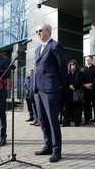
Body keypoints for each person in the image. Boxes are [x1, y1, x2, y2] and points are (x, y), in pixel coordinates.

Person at [33, 23, 67, 162]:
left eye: (40, 30)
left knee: (53, 120)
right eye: (36, 31)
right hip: (38, 89)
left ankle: (56, 150)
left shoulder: (55, 45)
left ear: (48, 32)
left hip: (51, 89)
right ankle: (48, 145)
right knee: (42, 119)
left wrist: (58, 86)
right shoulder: (37, 49)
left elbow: (63, 68)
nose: (38, 33)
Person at [81, 55, 95, 126]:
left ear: (92, 60)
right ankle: (86, 119)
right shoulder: (82, 69)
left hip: (94, 90)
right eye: (86, 59)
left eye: (89, 59)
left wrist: (90, 84)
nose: (87, 60)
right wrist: (84, 85)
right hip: (85, 91)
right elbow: (81, 79)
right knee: (86, 106)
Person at [63, 60, 83, 127]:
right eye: (71, 65)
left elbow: (81, 82)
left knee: (78, 108)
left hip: (76, 92)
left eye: (74, 64)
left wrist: (74, 86)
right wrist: (69, 86)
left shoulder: (79, 73)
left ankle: (77, 122)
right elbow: (65, 82)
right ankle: (66, 122)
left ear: (76, 65)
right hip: (68, 93)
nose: (73, 66)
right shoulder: (67, 73)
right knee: (67, 109)